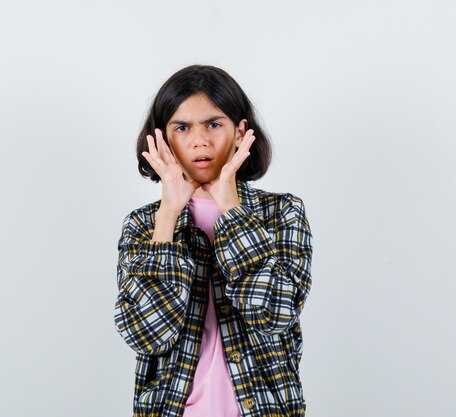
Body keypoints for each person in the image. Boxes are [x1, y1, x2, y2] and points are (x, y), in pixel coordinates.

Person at [113, 64, 313, 417]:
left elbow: (274, 315)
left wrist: (232, 210)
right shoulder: (144, 225)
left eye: (213, 124)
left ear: (240, 132)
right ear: (162, 138)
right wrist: (168, 216)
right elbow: (147, 335)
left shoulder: (281, 213)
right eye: (182, 127)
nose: (199, 140)